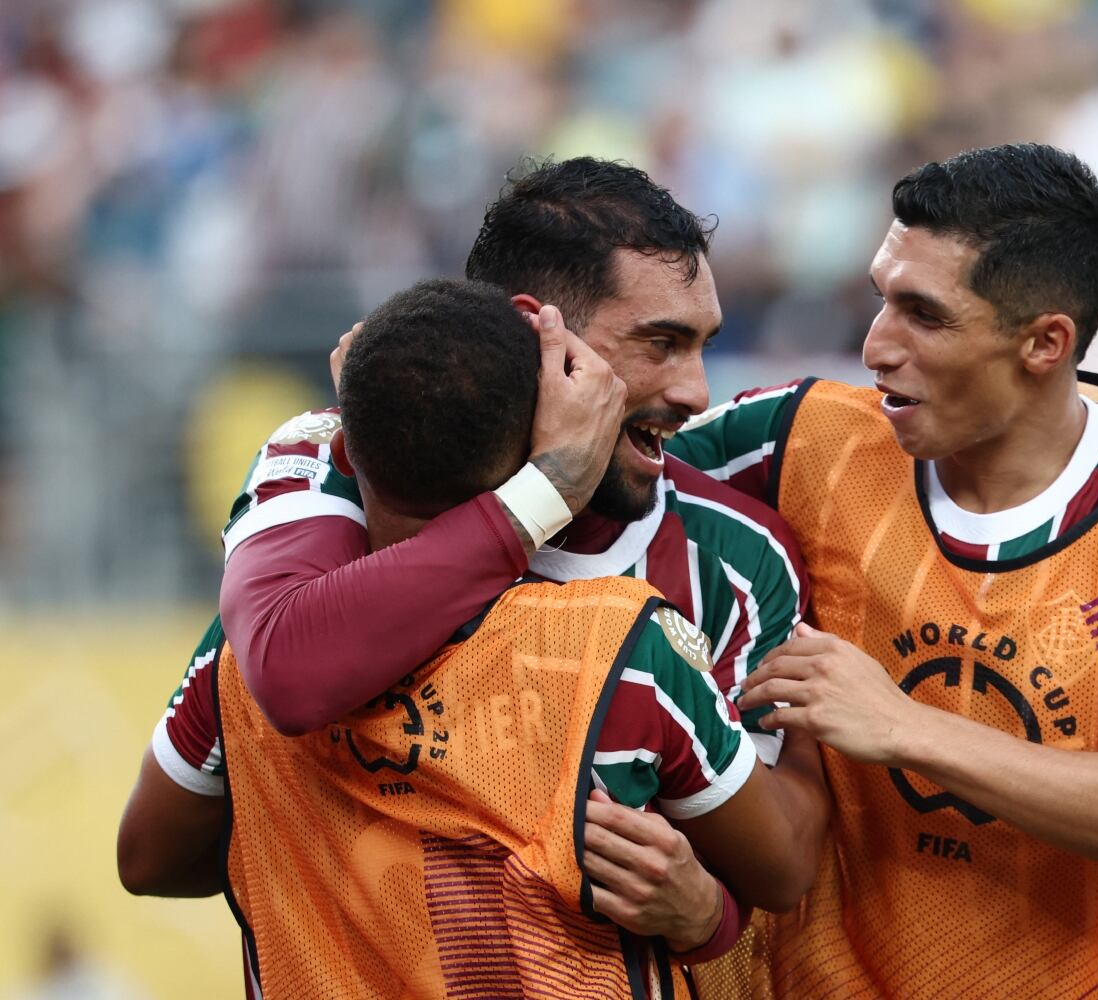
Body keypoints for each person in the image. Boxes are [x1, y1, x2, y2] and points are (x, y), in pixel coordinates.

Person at [143, 158, 823, 963]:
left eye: (703, 344)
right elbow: (267, 696)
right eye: (661, 344)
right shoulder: (337, 460)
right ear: (540, 327)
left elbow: (781, 869)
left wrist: (703, 908)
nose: (694, 390)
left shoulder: (734, 561)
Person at [669, 143, 1098, 999]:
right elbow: (586, 484)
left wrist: (905, 728)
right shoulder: (798, 442)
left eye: (925, 315)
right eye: (882, 298)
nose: (877, 347)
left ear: (1044, 342)